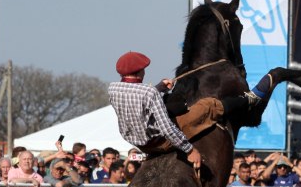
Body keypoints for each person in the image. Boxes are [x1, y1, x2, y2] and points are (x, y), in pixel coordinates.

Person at [108, 51, 285, 170]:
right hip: (159, 142)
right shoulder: (149, 93)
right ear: (140, 71)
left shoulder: (113, 89)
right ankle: (249, 99)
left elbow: (137, 99)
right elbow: (168, 128)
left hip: (138, 144)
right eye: (144, 69)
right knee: (207, 105)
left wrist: (160, 88)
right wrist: (190, 151)